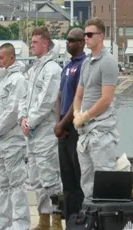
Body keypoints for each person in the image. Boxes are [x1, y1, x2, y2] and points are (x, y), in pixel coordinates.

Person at [19, 27, 62, 230]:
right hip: (31, 134)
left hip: (46, 133)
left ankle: (56, 219)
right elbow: (24, 97)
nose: (32, 45)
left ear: (45, 43)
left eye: (35, 42)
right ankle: (43, 219)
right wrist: (22, 119)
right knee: (35, 179)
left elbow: (47, 100)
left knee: (50, 178)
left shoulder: (52, 69)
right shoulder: (33, 69)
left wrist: (32, 121)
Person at [0, 44, 30, 230]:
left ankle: (20, 223)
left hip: (12, 140)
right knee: (2, 185)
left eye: (2, 58)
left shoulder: (18, 80)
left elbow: (13, 111)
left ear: (12, 58)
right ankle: (4, 222)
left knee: (17, 183)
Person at [73, 18, 119, 200]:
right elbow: (78, 95)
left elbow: (106, 99)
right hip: (85, 133)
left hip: (101, 132)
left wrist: (85, 115)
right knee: (87, 185)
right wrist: (77, 113)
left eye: (90, 34)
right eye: (85, 34)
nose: (86, 38)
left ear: (101, 36)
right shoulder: (86, 63)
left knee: (103, 183)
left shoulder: (108, 62)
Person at [54, 28, 86, 222]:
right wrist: (58, 123)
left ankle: (83, 219)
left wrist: (64, 124)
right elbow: (59, 96)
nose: (67, 43)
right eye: (66, 40)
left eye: (72, 40)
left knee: (78, 175)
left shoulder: (84, 65)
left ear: (82, 42)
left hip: (75, 125)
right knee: (66, 178)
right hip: (63, 126)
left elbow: (79, 99)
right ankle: (71, 219)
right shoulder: (66, 67)